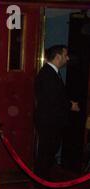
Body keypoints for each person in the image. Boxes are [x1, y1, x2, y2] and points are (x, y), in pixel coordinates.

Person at [34, 45, 80, 182]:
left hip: (51, 119)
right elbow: (52, 98)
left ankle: (44, 179)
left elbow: (56, 96)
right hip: (48, 120)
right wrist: (70, 105)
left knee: (48, 151)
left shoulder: (52, 72)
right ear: (58, 56)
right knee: (46, 152)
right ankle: (42, 181)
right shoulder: (48, 74)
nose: (67, 58)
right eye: (65, 55)